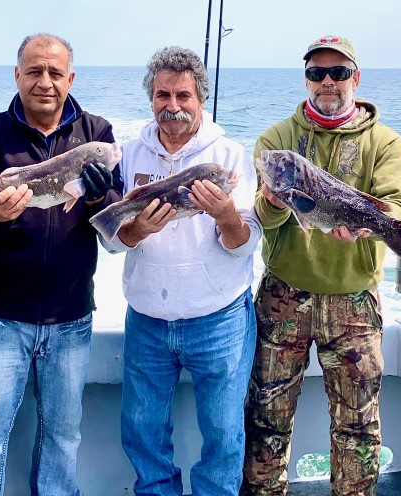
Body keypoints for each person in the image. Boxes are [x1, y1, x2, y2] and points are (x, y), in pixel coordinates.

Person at [242, 35, 401, 496]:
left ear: (355, 78)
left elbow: (395, 205)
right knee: (265, 419)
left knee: (358, 426)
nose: (328, 82)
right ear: (307, 80)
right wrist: (273, 200)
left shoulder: (386, 142)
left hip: (355, 304)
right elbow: (264, 218)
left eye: (338, 73)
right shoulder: (277, 141)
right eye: (317, 73)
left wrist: (372, 228)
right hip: (282, 298)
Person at [0, 33, 118, 496]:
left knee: (63, 439)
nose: (44, 82)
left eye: (54, 73)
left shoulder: (97, 133)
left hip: (71, 315)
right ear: (17, 75)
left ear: (70, 79)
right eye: (34, 71)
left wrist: (96, 195)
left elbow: (115, 216)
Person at [98, 46, 260, 496]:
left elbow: (246, 243)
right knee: (142, 432)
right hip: (147, 319)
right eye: (162, 95)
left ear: (200, 100)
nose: (173, 106)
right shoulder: (129, 156)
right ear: (151, 99)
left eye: (183, 95)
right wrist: (136, 229)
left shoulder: (229, 156)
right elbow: (111, 241)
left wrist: (226, 214)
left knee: (224, 435)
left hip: (219, 319)